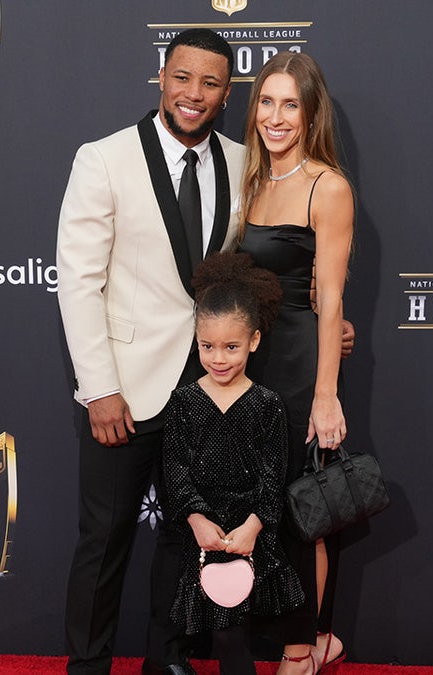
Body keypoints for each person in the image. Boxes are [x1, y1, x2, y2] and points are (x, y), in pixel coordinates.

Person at [56, 29, 242, 675]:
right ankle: (88, 665)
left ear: (225, 93)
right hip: (127, 389)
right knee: (103, 539)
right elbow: (79, 282)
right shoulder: (102, 159)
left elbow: (257, 271)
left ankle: (168, 659)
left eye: (211, 83)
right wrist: (99, 387)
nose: (195, 94)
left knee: (184, 535)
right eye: (183, 77)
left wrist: (326, 325)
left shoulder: (243, 162)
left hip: (210, 388)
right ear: (162, 78)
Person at [236, 52, 354, 674]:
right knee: (264, 503)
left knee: (301, 506)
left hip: (303, 366)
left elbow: (331, 297)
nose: (276, 117)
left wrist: (326, 393)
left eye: (291, 104)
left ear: (311, 114)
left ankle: (301, 651)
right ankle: (315, 639)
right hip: (252, 367)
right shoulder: (253, 179)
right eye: (266, 101)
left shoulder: (326, 186)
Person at [161, 252, 305, 675]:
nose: (218, 358)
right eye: (207, 346)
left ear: (254, 341)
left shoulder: (267, 405)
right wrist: (197, 521)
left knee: (237, 628)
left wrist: (254, 526)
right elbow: (176, 471)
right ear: (196, 340)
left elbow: (273, 474)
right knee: (225, 631)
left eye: (231, 347)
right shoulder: (184, 402)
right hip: (205, 535)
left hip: (249, 533)